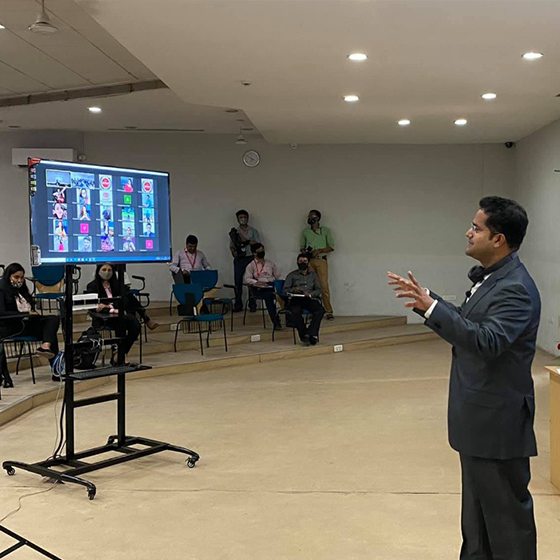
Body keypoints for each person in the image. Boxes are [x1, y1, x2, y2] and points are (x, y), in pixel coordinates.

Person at [387, 196, 540, 560]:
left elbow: (488, 341)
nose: (468, 232)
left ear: (498, 239)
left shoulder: (515, 288)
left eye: (476, 227)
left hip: (497, 426)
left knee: (506, 523)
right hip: (479, 422)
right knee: (478, 521)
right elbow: (472, 324)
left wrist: (434, 310)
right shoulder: (496, 280)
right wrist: (430, 301)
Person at [86, 264, 159, 364]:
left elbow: (123, 301)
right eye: (104, 269)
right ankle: (120, 355)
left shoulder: (118, 284)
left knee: (135, 325)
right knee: (123, 323)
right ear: (98, 271)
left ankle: (120, 353)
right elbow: (94, 307)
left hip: (120, 314)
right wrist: (111, 309)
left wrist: (107, 306)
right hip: (104, 318)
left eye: (109, 270)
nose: (106, 272)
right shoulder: (92, 286)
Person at [0, 263, 60, 377]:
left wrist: (32, 313)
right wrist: (25, 314)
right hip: (13, 326)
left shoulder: (23, 292)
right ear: (9, 277)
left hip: (28, 323)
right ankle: (54, 365)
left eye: (22, 277)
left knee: (52, 321)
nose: (19, 280)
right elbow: (2, 313)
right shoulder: (1, 292)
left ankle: (46, 348)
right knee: (49, 333)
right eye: (16, 277)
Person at [300, 209, 335, 320]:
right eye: (309, 217)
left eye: (312, 217)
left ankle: (328, 311)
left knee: (324, 286)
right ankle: (313, 310)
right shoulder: (305, 232)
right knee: (310, 285)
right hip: (309, 261)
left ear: (318, 218)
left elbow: (331, 247)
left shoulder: (326, 231)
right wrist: (305, 252)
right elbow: (302, 247)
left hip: (321, 260)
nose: (310, 218)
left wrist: (319, 251)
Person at [283, 254, 325, 345]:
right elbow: (285, 290)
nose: (302, 263)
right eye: (300, 261)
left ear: (308, 263)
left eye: (305, 261)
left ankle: (310, 333)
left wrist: (310, 294)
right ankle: (304, 335)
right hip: (296, 298)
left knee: (320, 310)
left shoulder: (313, 275)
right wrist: (294, 290)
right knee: (295, 311)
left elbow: (318, 289)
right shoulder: (291, 275)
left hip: (308, 298)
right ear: (297, 262)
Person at [230, 209, 262, 312]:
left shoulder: (253, 231)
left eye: (244, 217)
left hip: (250, 257)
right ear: (237, 219)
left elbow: (258, 244)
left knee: (251, 282)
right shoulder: (235, 232)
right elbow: (232, 246)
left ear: (248, 218)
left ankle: (252, 304)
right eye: (240, 217)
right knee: (238, 282)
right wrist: (234, 253)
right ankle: (238, 305)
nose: (243, 219)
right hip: (239, 259)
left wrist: (247, 242)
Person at [243, 243, 282, 329]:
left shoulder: (270, 263)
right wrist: (256, 282)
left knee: (285, 295)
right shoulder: (251, 265)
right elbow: (247, 279)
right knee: (269, 297)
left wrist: (277, 284)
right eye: (259, 251)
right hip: (258, 288)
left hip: (271, 285)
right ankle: (276, 322)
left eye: (262, 250)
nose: (262, 252)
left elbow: (278, 276)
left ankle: (290, 320)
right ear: (254, 253)